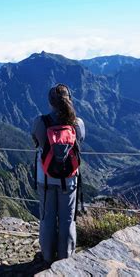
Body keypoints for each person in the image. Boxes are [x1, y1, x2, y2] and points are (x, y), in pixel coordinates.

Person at [31, 83, 85, 264]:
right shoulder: (77, 123)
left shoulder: (41, 122)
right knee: (67, 220)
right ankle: (65, 260)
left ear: (50, 102)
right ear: (69, 99)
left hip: (45, 179)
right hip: (69, 180)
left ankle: (47, 257)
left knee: (47, 219)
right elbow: (80, 142)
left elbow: (37, 140)